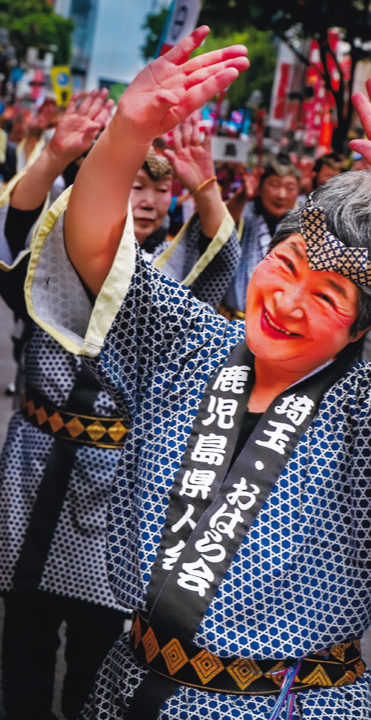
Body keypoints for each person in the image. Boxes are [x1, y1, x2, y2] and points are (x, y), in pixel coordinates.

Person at [26, 28, 371, 720]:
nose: (287, 301)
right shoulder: (191, 342)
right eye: (286, 267)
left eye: (328, 296)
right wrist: (127, 134)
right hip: (130, 686)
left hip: (284, 705)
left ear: (361, 327)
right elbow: (98, 262)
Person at [0, 87, 239, 720]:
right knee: (22, 628)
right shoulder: (65, 247)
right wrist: (53, 157)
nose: (148, 200)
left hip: (124, 479)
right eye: (134, 184)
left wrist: (208, 188)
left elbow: (223, 264)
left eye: (160, 191)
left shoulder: (173, 276)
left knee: (100, 645)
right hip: (37, 457)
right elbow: (14, 238)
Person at [222, 157, 300, 317]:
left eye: (290, 187)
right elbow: (222, 227)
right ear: (261, 187)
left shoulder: (305, 224)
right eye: (274, 185)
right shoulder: (243, 212)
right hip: (231, 318)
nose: (281, 195)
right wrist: (242, 195)